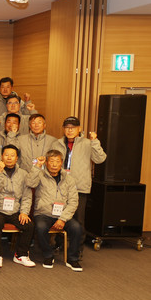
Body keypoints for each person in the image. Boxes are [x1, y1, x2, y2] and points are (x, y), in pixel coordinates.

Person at [52, 116, 107, 250]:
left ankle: (77, 248)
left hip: (79, 187)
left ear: (79, 129)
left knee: (78, 219)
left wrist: (95, 142)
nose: (70, 130)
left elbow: (100, 159)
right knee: (58, 215)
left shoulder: (88, 143)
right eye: (67, 128)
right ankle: (60, 244)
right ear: (63, 129)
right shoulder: (57, 143)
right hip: (60, 186)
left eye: (73, 128)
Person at [27, 149, 83, 271]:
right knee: (41, 227)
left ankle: (72, 258)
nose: (54, 164)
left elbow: (73, 201)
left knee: (77, 228)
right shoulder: (40, 175)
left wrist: (63, 219)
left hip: (63, 215)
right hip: (43, 213)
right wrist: (37, 166)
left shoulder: (69, 179)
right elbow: (30, 183)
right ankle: (48, 255)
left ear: (61, 163)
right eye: (51, 161)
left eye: (57, 161)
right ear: (46, 163)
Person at [0, 145, 35, 267]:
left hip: (15, 210)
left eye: (12, 155)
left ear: (17, 158)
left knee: (28, 225)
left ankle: (20, 255)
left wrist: (24, 212)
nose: (9, 158)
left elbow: (26, 196)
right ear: (1, 157)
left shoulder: (23, 174)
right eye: (6, 155)